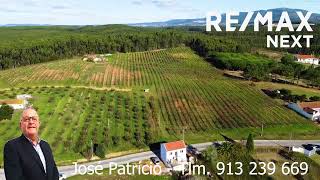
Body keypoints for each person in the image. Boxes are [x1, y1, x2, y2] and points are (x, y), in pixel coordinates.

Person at [4, 107, 59, 180]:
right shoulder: (12, 147)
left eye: (34, 119)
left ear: (38, 124)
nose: (31, 122)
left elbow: (54, 174)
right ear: (21, 125)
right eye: (27, 119)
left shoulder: (46, 146)